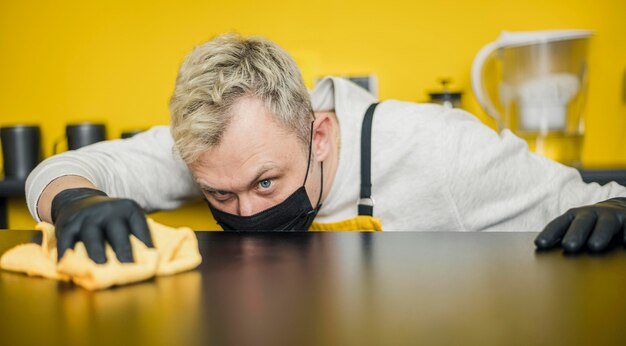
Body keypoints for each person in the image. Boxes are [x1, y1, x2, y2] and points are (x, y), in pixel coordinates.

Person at [25, 33, 626, 264]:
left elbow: (602, 203)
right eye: (219, 194)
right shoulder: (215, 146)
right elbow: (66, 169)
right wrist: (74, 200)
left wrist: (620, 210)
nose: (247, 215)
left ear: (319, 134)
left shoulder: (442, 149)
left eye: (266, 183)